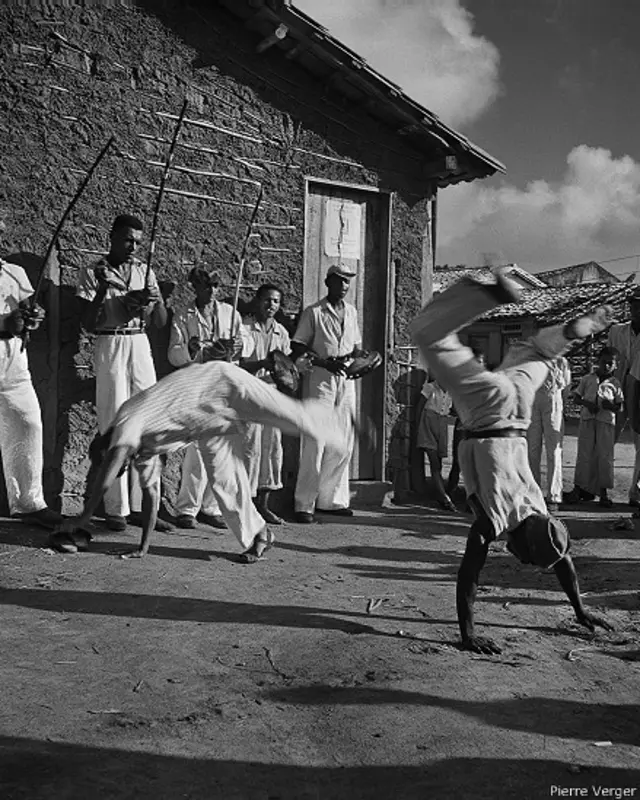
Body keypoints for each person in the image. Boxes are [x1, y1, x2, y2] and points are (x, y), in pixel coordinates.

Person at [409, 274, 614, 654]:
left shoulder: (538, 509)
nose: (518, 559)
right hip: (486, 411)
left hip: (519, 406)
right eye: (523, 557)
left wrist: (580, 610)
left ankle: (577, 328)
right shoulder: (496, 519)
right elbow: (468, 575)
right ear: (521, 544)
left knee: (537, 351)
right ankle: (490, 294)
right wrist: (468, 634)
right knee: (427, 332)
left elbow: (562, 558)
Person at [55, 361, 353, 562]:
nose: (121, 466)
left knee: (286, 415)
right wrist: (142, 547)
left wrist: (83, 517)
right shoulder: (139, 453)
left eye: (115, 461)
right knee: (224, 480)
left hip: (221, 381)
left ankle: (343, 424)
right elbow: (151, 496)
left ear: (111, 446)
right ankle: (259, 534)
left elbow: (109, 469)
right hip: (209, 421)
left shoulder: (127, 421)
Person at [76, 213, 170, 532]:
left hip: (139, 342)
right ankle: (116, 508)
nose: (133, 247)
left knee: (149, 420)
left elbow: (159, 322)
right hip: (111, 343)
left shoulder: (144, 271)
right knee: (114, 421)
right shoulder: (93, 271)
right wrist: (102, 290)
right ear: (113, 237)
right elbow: (87, 323)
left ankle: (146, 506)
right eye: (128, 240)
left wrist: (154, 301)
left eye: (138, 242)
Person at [168, 267, 245, 530]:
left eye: (215, 285)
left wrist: (235, 348)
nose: (212, 291)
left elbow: (244, 347)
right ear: (195, 287)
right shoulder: (183, 315)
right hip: (197, 384)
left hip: (222, 384)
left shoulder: (230, 313)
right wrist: (189, 350)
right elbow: (173, 354)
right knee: (196, 449)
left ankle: (212, 507)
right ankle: (187, 508)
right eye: (206, 285)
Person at [291, 265, 364, 524]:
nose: (344, 286)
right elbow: (298, 345)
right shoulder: (314, 312)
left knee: (343, 440)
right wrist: (324, 362)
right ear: (328, 282)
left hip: (345, 379)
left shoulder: (352, 312)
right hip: (321, 378)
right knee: (316, 440)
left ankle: (331, 500)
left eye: (347, 282)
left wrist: (360, 361)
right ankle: (304, 504)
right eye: (340, 281)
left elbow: (356, 347)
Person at [0, 258, 63, 529]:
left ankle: (28, 503)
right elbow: (9, 321)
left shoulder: (14, 272)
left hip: (14, 358)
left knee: (29, 423)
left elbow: (27, 308)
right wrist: (5, 323)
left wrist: (33, 317)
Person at [240, 284, 291, 525]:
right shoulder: (245, 328)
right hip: (250, 393)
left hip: (272, 395)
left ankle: (263, 505)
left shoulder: (281, 333)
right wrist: (262, 363)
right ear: (257, 300)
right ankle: (245, 504)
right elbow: (239, 364)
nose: (271, 305)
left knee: (272, 448)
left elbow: (286, 367)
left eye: (276, 301)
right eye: (267, 300)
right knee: (250, 447)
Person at [564, 347, 623, 508]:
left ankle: (603, 493)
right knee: (584, 454)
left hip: (606, 423)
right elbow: (576, 398)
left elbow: (620, 406)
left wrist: (610, 406)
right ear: (598, 361)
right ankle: (578, 489)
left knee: (605, 456)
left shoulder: (615, 383)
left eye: (610, 363)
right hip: (587, 421)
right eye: (604, 362)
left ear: (616, 365)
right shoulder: (587, 379)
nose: (606, 366)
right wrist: (587, 404)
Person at [608, 289, 640, 506]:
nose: (637, 310)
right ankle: (596, 487)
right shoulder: (617, 331)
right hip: (617, 389)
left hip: (639, 389)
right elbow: (608, 360)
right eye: (634, 305)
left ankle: (635, 493)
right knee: (607, 437)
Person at [527, 355, 571, 512]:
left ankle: (554, 495)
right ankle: (533, 493)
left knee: (554, 450)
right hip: (532, 400)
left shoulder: (561, 361)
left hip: (553, 400)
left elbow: (566, 387)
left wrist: (560, 404)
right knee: (532, 449)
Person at [416, 375, 455, 511]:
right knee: (434, 461)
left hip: (442, 424)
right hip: (428, 423)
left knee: (439, 461)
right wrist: (417, 427)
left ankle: (439, 493)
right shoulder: (430, 388)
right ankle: (444, 497)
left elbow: (452, 409)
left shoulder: (451, 392)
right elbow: (420, 406)